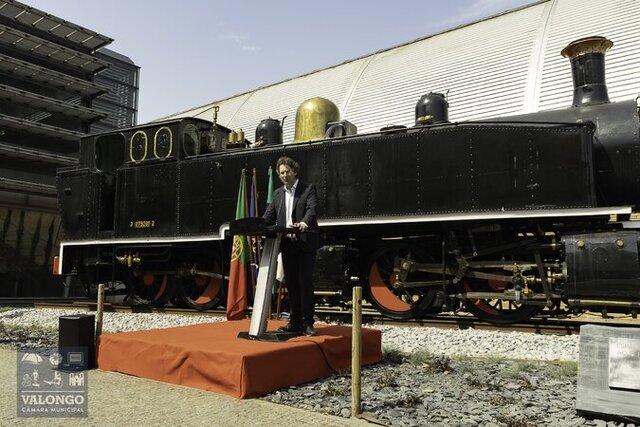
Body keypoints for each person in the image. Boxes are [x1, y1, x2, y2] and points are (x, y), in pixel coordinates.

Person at [263, 156, 319, 336]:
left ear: (295, 171)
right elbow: (268, 217)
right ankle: (295, 322)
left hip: (304, 243)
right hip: (287, 244)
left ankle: (308, 323)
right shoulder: (277, 194)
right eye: (281, 173)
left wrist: (303, 223)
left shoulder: (308, 189)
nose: (284, 175)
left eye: (287, 171)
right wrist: (255, 226)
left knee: (305, 283)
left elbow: (312, 210)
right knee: (292, 284)